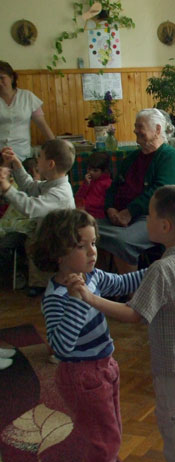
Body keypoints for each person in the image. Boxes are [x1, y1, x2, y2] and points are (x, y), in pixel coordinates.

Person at [69, 186, 175, 462]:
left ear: (165, 226)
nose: (145, 219)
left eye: (149, 215)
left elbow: (134, 314)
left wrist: (91, 298)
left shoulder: (162, 270)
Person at [31, 209, 145, 462]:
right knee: (105, 446)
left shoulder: (92, 276)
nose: (92, 251)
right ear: (59, 254)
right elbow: (61, 347)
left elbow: (123, 283)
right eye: (81, 246)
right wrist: (78, 300)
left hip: (105, 367)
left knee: (110, 435)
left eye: (93, 243)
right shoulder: (56, 298)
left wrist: (163, 268)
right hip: (82, 377)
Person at [99, 108, 175, 273]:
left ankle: (129, 287)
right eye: (135, 126)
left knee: (122, 241)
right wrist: (110, 208)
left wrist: (129, 212)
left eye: (140, 127)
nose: (135, 131)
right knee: (86, 230)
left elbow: (161, 192)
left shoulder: (169, 156)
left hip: (153, 217)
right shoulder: (132, 157)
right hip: (121, 215)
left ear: (157, 129)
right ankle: (99, 282)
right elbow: (114, 186)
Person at [0, 139, 75, 295]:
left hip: (58, 244)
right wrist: (17, 165)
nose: (37, 159)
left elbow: (30, 207)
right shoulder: (52, 183)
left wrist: (6, 187)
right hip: (48, 238)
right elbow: (29, 187)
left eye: (40, 156)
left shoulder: (60, 193)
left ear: (50, 164)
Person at [0, 61, 55, 161]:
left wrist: (56, 147)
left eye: (2, 78)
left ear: (12, 78)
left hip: (22, 155)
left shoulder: (28, 97)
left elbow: (43, 125)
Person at [75, 151, 112, 219]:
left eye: (95, 170)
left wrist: (86, 206)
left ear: (104, 171)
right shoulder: (88, 180)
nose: (90, 172)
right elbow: (78, 196)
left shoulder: (108, 183)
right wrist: (85, 185)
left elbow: (106, 204)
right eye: (89, 169)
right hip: (84, 212)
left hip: (98, 215)